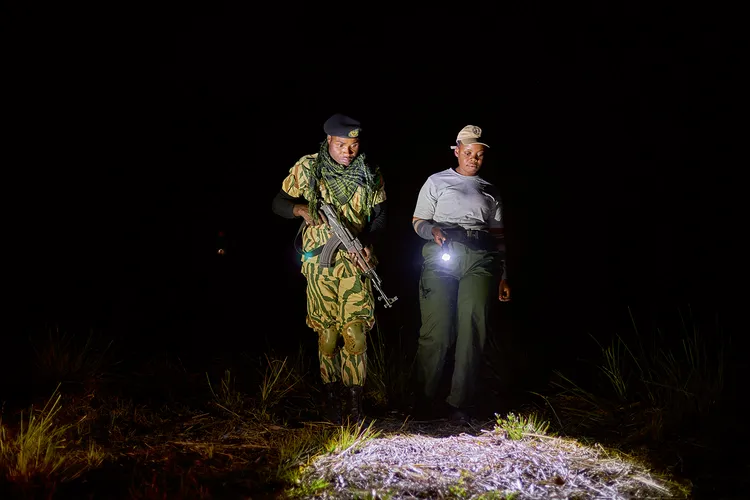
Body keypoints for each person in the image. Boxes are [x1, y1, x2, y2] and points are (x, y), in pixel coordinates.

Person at [271, 113, 388, 424]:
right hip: (318, 265)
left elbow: (380, 217)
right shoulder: (308, 167)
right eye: (340, 145)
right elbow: (278, 202)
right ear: (328, 141)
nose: (347, 152)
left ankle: (355, 404)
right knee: (328, 336)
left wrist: (365, 241)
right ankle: (332, 399)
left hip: (355, 264)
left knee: (356, 334)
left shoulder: (369, 171)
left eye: (353, 145)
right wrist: (299, 208)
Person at [410, 124, 511, 423]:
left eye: (479, 154)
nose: (473, 159)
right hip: (443, 254)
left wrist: (504, 274)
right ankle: (422, 400)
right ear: (457, 151)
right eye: (468, 153)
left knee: (472, 328)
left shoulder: (490, 190)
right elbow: (418, 220)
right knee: (437, 329)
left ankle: (460, 403)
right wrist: (433, 230)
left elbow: (499, 236)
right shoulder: (437, 181)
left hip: (480, 259)